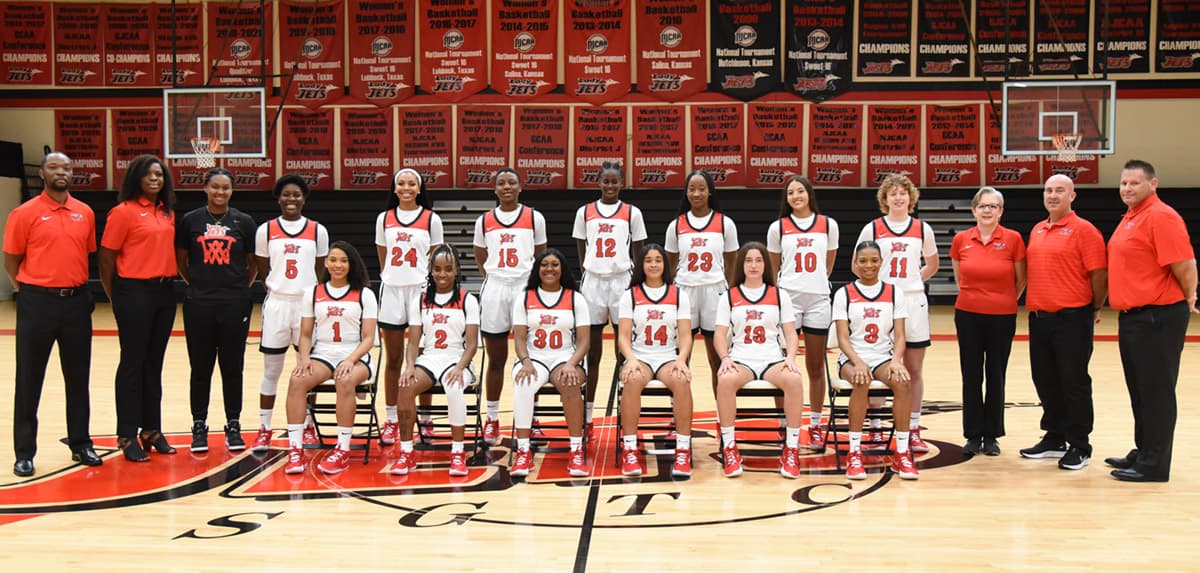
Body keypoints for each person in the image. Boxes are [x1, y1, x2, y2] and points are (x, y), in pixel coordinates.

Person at [3, 151, 101, 476]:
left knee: (78, 377)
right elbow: (11, 260)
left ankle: (80, 443)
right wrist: (30, 290)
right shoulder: (23, 213)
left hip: (75, 302)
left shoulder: (84, 213)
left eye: (67, 167)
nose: (62, 172)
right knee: (30, 378)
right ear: (42, 174)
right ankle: (24, 452)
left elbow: (86, 254)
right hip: (36, 302)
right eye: (54, 167)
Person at [1105, 159, 1197, 483]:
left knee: (1156, 392)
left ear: (1153, 184)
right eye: (1124, 183)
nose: (1127, 188)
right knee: (1140, 391)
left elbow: (1185, 265)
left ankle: (1154, 465)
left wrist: (1187, 298)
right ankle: (1144, 451)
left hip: (1158, 316)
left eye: (1135, 183)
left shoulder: (1161, 216)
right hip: (1135, 317)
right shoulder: (1133, 216)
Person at [1019, 174, 1107, 471]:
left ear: (1072, 196)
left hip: (1072, 318)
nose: (1052, 195)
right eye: (1048, 190)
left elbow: (1099, 274)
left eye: (1059, 190)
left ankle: (1080, 444)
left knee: (1074, 381)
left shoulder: (1085, 230)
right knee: (1044, 379)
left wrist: (1094, 306)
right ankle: (1055, 436)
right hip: (1040, 318)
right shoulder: (1038, 229)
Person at [98, 154, 180, 462]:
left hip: (164, 292)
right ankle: (126, 433)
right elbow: (106, 258)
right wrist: (115, 295)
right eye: (149, 175)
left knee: (153, 364)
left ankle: (151, 429)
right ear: (136, 179)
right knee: (132, 363)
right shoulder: (123, 212)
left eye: (159, 175)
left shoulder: (167, 212)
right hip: (133, 292)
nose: (155, 179)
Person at [175, 167, 258, 453]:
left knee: (232, 368)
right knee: (200, 368)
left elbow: (254, 262)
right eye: (215, 187)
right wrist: (199, 285)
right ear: (205, 188)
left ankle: (233, 424)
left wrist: (238, 289)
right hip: (199, 303)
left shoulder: (244, 222)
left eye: (225, 188)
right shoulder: (190, 221)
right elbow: (181, 261)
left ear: (231, 191)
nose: (220, 192)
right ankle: (199, 425)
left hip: (235, 303)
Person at [855, 174, 937, 453]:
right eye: (893, 193)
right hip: (881, 303)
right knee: (878, 365)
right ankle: (876, 428)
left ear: (911, 198)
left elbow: (933, 263)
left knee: (914, 368)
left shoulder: (922, 228)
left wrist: (911, 283)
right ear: (885, 199)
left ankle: (912, 429)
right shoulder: (873, 229)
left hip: (913, 302)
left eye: (903, 193)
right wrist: (881, 289)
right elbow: (859, 265)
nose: (899, 197)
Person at [283, 242, 378, 475]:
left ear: (351, 264)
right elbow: (305, 334)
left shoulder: (365, 294)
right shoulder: (313, 293)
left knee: (344, 381)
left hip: (355, 355)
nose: (338, 265)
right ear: (326, 262)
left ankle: (342, 450)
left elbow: (368, 338)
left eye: (343, 261)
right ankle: (295, 450)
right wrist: (304, 358)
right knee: (296, 381)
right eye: (333, 260)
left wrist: (350, 359)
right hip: (323, 353)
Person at [713, 242, 806, 479]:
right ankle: (730, 447)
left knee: (794, 380)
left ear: (766, 264)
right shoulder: (729, 296)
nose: (753, 265)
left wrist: (791, 357)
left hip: (772, 360)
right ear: (741, 265)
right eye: (748, 260)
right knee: (724, 380)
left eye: (758, 260)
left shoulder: (779, 295)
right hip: (741, 359)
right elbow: (719, 335)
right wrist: (724, 358)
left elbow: (791, 333)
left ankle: (791, 449)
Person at [251, 174, 329, 452]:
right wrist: (280, 288)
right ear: (278, 198)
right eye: (286, 194)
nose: (291, 199)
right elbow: (263, 269)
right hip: (278, 304)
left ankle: (307, 422)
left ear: (304, 198)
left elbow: (320, 269)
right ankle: (264, 427)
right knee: (272, 370)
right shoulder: (266, 230)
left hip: (306, 305)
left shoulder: (318, 230)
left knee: (307, 368)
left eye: (297, 194)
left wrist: (308, 294)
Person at [391, 245, 480, 476]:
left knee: (453, 386)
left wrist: (460, 367)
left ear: (456, 270)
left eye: (448, 269)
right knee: (406, 385)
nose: (442, 274)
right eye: (438, 269)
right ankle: (407, 452)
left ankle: (458, 452)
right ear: (430, 270)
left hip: (458, 360)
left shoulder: (467, 299)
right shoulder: (420, 300)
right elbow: (412, 342)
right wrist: (409, 366)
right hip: (430, 359)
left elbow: (471, 345)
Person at [949, 187, 1026, 457]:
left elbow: (1021, 279)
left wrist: (1003, 299)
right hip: (968, 314)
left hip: (1002, 316)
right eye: (983, 206)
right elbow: (960, 278)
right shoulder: (961, 240)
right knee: (971, 374)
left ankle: (992, 435)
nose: (987, 210)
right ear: (974, 209)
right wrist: (977, 298)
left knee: (996, 374)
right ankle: (972, 434)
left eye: (993, 206)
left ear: (1001, 211)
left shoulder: (1014, 239)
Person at [832, 241, 918, 480]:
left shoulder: (894, 292)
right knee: (861, 380)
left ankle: (901, 453)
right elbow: (842, 338)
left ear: (881, 262)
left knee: (902, 383)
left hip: (882, 358)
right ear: (855, 264)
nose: (868, 265)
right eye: (863, 261)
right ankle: (855, 452)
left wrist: (897, 360)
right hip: (851, 359)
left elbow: (900, 336)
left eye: (873, 260)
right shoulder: (844, 293)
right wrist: (857, 362)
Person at [473, 168, 547, 444]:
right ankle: (492, 419)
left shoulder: (534, 217)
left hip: (524, 287)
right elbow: (480, 255)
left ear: (520, 187)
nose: (506, 187)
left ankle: (532, 417)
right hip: (495, 288)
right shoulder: (484, 221)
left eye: (511, 182)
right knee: (496, 358)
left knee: (531, 357)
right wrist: (493, 277)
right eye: (501, 183)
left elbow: (542, 254)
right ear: (495, 189)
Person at [574, 161, 647, 437]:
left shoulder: (632, 213)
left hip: (621, 282)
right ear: (598, 182)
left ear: (622, 183)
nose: (610, 186)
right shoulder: (585, 212)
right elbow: (580, 244)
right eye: (606, 181)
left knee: (625, 352)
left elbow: (638, 250)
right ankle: (589, 415)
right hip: (593, 282)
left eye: (615, 181)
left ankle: (624, 413)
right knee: (592, 353)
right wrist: (586, 268)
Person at [765, 175, 838, 452]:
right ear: (786, 199)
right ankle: (784, 424)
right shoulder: (778, 228)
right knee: (784, 364)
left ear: (809, 194)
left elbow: (828, 264)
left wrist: (815, 282)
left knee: (816, 366)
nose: (796, 196)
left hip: (818, 299)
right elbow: (774, 267)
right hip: (788, 300)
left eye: (800, 191)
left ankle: (816, 424)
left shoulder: (828, 225)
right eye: (791, 193)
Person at [374, 169, 443, 446]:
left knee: (424, 360)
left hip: (420, 290)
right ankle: (392, 418)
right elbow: (383, 256)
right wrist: (392, 277)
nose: (405, 187)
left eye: (411, 183)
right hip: (392, 290)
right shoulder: (384, 218)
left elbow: (437, 259)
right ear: (394, 188)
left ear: (419, 188)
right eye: (400, 183)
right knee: (393, 359)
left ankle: (425, 418)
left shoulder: (431, 219)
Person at [509, 249, 590, 478]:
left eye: (555, 264)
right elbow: (520, 339)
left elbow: (584, 341)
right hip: (533, 357)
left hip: (565, 357)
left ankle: (576, 451)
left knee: (570, 382)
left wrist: (572, 363)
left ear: (562, 269)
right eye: (544, 264)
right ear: (537, 269)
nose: (549, 269)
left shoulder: (576, 298)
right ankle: (523, 451)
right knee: (524, 384)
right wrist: (525, 361)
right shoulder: (525, 298)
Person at [616, 244, 694, 477]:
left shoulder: (679, 294)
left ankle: (682, 450)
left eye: (658, 260)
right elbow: (623, 336)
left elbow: (686, 335)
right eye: (648, 260)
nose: (653, 264)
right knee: (631, 380)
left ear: (665, 264)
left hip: (668, 357)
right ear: (641, 265)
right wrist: (630, 359)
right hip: (640, 356)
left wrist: (682, 359)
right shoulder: (630, 295)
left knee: (681, 381)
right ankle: (630, 449)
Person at [664, 170, 739, 395]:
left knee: (717, 359)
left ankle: (721, 415)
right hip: (684, 291)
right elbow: (669, 265)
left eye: (701, 188)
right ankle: (677, 414)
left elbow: (733, 262)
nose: (696, 193)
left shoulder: (725, 223)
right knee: (680, 358)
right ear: (686, 193)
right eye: (692, 189)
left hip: (714, 291)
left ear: (710, 191)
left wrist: (731, 294)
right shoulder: (676, 225)